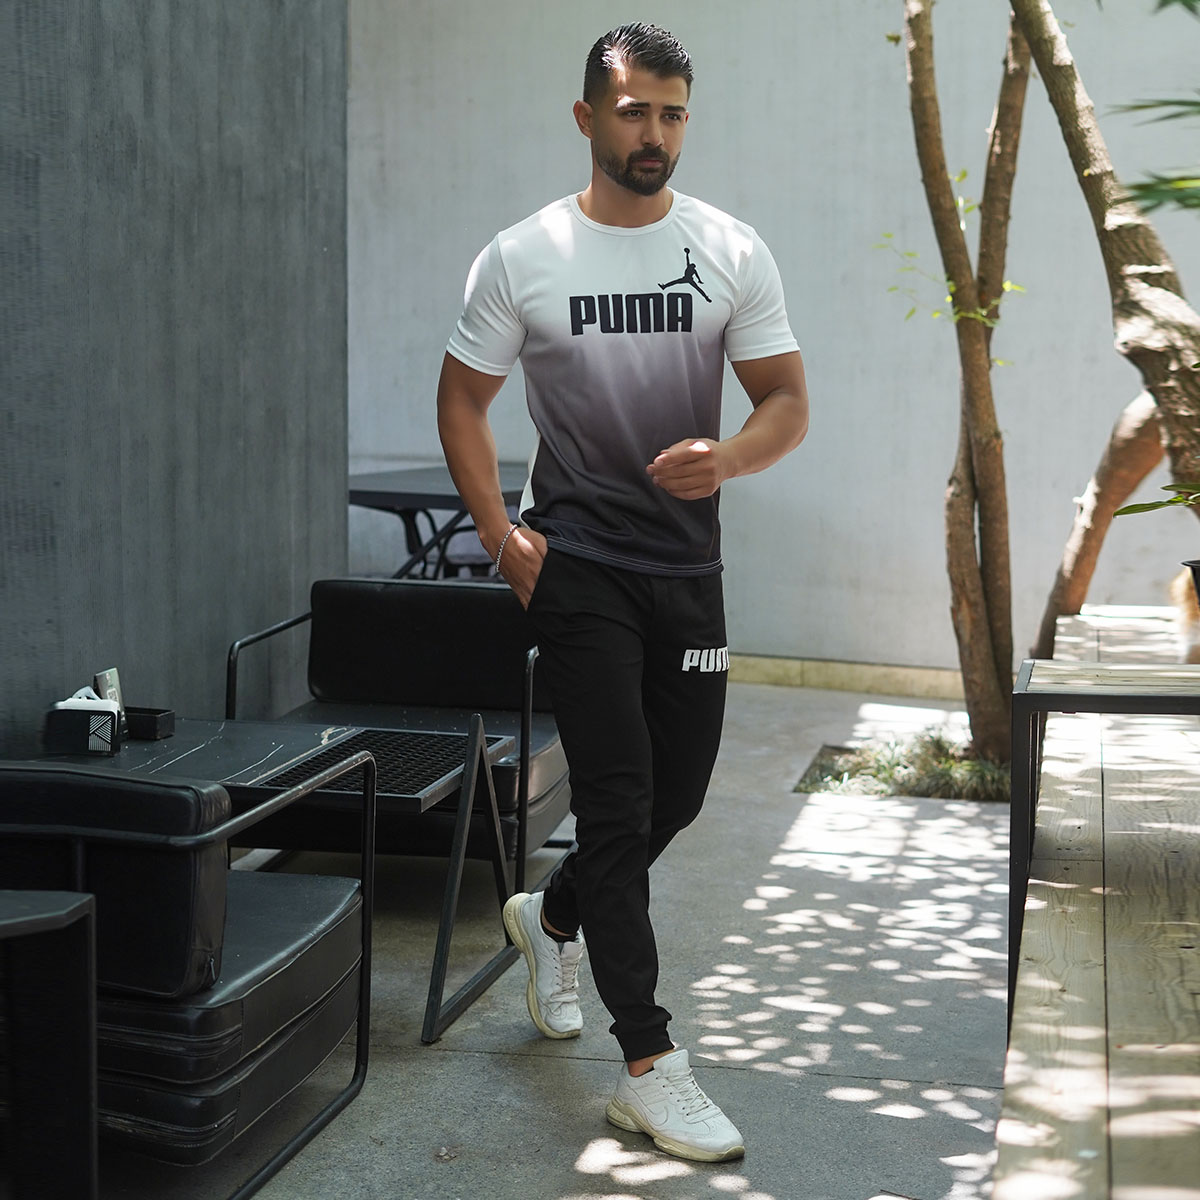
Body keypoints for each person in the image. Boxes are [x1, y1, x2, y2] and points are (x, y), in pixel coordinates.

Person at [436, 22, 808, 1163]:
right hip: (579, 565)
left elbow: (786, 400)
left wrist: (728, 459)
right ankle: (649, 1065)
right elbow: (462, 399)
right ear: (588, 116)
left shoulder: (729, 248)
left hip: (687, 570)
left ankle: (549, 917)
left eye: (673, 112)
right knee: (617, 801)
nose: (655, 132)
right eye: (635, 109)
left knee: (673, 800)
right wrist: (500, 534)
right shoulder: (524, 255)